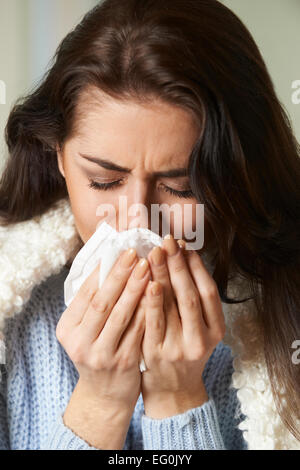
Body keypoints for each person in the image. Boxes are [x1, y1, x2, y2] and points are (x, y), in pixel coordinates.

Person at [0, 0, 299, 450]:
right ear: (57, 154)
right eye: (104, 180)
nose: (137, 217)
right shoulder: (12, 310)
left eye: (179, 187)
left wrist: (179, 398)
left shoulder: (285, 319)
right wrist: (99, 404)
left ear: (236, 172)